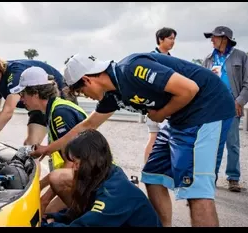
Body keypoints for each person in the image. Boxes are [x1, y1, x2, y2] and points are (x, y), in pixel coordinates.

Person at [32, 53, 235, 227]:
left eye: (82, 91)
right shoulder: (112, 94)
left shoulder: (131, 69)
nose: (87, 96)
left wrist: (161, 113)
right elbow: (87, 125)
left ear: (87, 79)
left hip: (207, 109)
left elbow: (189, 89)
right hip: (177, 120)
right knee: (152, 175)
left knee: (195, 190)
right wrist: (48, 149)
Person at [41, 129, 162, 227]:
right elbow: (88, 212)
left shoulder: (113, 194)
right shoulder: (107, 172)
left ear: (90, 159)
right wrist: (56, 217)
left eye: (76, 163)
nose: (74, 168)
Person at [11, 66, 88, 215]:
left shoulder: (60, 113)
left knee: (47, 212)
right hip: (83, 176)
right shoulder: (54, 110)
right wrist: (38, 187)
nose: (21, 99)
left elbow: (71, 162)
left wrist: (44, 198)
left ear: (34, 93)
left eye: (23, 94)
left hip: (91, 178)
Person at [0, 51, 76, 147]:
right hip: (39, 105)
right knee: (30, 146)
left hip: (60, 100)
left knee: (64, 148)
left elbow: (8, 111)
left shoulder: (14, 75)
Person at [202, 26, 248, 192]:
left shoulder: (241, 57)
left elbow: (247, 83)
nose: (211, 40)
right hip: (212, 107)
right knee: (211, 144)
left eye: (214, 37)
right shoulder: (208, 59)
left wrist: (240, 102)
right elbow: (203, 83)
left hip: (232, 106)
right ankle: (210, 177)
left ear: (224, 39)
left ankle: (233, 178)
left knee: (232, 144)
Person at [144, 27, 177, 163]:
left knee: (166, 139)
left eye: (174, 39)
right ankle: (146, 167)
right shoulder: (151, 58)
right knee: (154, 137)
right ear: (160, 39)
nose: (173, 42)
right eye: (170, 38)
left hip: (168, 105)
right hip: (153, 104)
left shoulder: (172, 60)